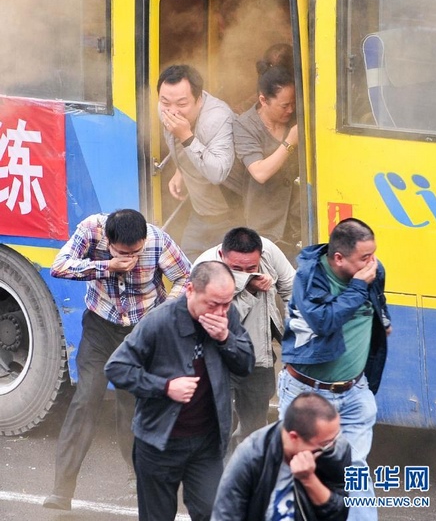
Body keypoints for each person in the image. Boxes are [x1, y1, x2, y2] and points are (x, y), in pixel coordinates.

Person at [43, 209, 191, 511]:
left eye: (136, 251)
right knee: (86, 399)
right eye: (124, 252)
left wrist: (166, 311)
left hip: (142, 330)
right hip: (100, 326)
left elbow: (186, 277)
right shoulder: (91, 230)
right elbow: (59, 266)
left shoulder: (157, 240)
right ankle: (62, 490)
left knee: (133, 403)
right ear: (108, 241)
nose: (132, 258)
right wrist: (107, 266)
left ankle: (138, 479)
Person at [104, 261, 255, 521]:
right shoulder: (159, 322)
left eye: (226, 304)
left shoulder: (227, 317)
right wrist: (164, 387)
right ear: (190, 291)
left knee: (216, 514)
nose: (220, 312)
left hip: (206, 443)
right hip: (159, 443)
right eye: (212, 304)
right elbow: (116, 368)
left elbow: (246, 364)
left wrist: (225, 339)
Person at [278, 218, 392, 521]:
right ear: (339, 258)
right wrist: (357, 287)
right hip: (307, 394)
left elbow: (377, 302)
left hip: (354, 391)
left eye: (374, 254)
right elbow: (324, 321)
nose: (373, 263)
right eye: (364, 258)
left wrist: (385, 320)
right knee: (300, 467)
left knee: (354, 467)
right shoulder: (309, 277)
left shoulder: (373, 272)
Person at [195, 226, 295, 444]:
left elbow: (293, 291)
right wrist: (248, 290)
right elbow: (213, 324)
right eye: (236, 268)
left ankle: (246, 471)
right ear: (222, 255)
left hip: (257, 356)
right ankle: (217, 475)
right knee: (217, 424)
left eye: (251, 267)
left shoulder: (269, 251)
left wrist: (294, 337)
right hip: (217, 358)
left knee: (254, 425)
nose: (246, 272)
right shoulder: (204, 268)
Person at [211, 392, 351, 521]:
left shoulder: (337, 450)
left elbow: (340, 514)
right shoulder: (252, 455)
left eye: (335, 438)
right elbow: (226, 515)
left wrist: (309, 480)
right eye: (326, 443)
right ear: (294, 437)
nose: (333, 446)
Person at [158, 64, 241, 261]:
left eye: (181, 104)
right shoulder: (165, 108)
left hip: (232, 217)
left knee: (228, 281)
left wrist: (186, 136)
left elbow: (218, 173)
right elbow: (177, 147)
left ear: (199, 99)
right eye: (165, 102)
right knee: (188, 275)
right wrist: (181, 171)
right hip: (199, 214)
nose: (173, 112)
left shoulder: (218, 118)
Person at [233, 65, 301, 263]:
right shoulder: (245, 125)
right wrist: (290, 142)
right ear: (263, 100)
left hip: (299, 221)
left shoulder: (296, 117)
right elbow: (260, 172)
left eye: (293, 104)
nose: (291, 110)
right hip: (265, 225)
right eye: (284, 105)